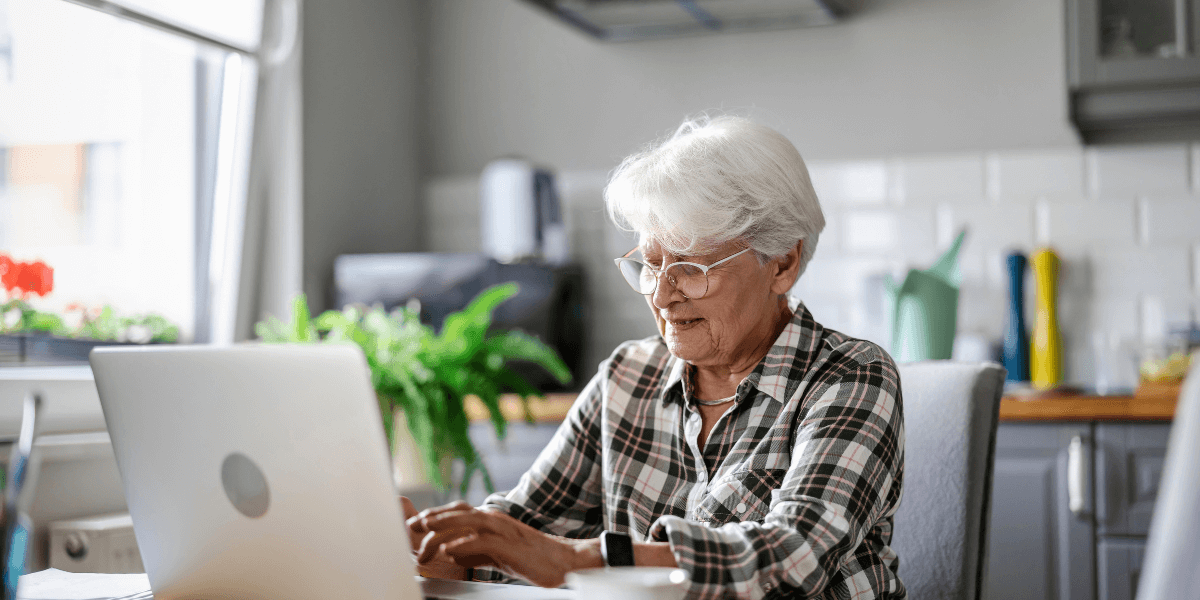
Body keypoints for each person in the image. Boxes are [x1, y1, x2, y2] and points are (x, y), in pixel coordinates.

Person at [402, 115, 906, 599]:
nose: (662, 296)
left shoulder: (851, 377)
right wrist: (419, 544)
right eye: (650, 264)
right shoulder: (628, 376)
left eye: (689, 267)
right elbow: (520, 534)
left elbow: (793, 558)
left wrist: (579, 562)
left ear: (782, 263)